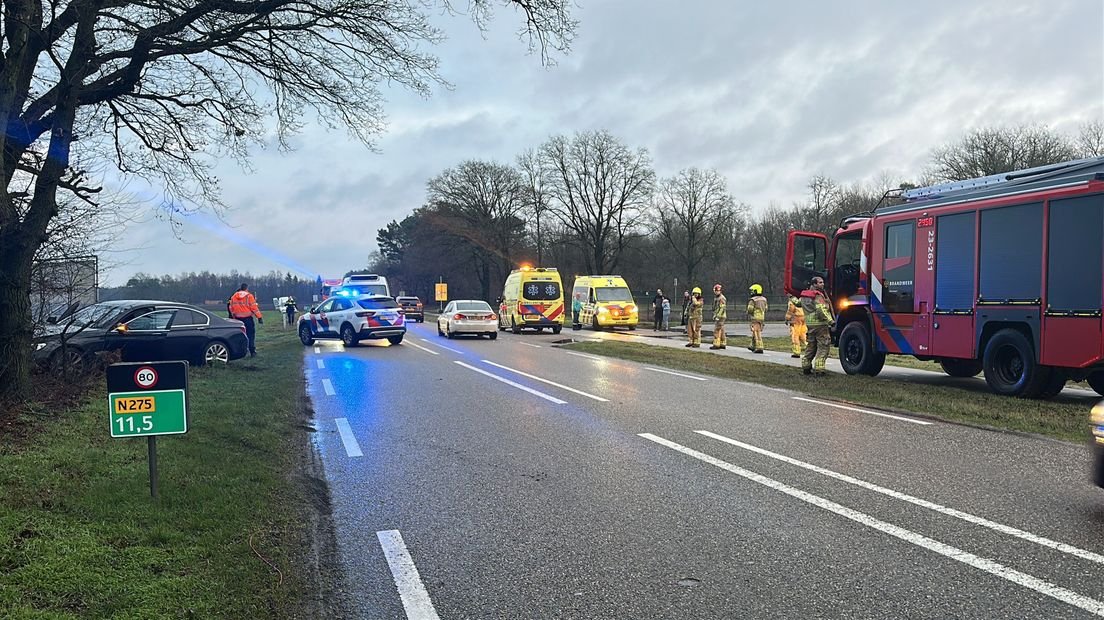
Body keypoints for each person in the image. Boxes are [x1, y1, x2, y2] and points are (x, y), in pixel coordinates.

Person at [800, 276, 835, 375]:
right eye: (820, 282)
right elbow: (821, 310)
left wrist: (791, 296)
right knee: (823, 346)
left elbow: (798, 304)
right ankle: (819, 369)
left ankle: (806, 366)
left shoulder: (804, 295)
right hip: (820, 325)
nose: (822, 284)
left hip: (810, 325)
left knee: (811, 346)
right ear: (814, 284)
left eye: (822, 282)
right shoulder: (818, 296)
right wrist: (830, 321)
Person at [228, 283, 263, 357]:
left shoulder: (234, 296)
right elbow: (254, 308)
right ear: (247, 288)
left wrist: (233, 317)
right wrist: (259, 317)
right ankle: (252, 351)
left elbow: (231, 308)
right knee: (250, 335)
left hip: (238, 319)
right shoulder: (249, 296)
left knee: (240, 335)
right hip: (248, 318)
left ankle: (241, 351)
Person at [746, 283, 768, 354]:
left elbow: (750, 309)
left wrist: (749, 312)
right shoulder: (764, 299)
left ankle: (759, 347)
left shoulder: (753, 300)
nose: (751, 292)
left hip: (755, 317)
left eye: (752, 291)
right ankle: (752, 345)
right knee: (755, 331)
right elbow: (766, 308)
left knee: (756, 332)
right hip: (762, 317)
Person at [785, 293, 807, 359]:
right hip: (804, 318)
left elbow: (791, 310)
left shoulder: (792, 300)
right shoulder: (802, 298)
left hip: (796, 319)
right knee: (803, 334)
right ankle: (808, 347)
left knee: (795, 335)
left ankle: (796, 352)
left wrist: (787, 318)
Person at [709, 283, 727, 350]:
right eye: (715, 291)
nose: (715, 292)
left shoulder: (721, 298)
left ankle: (716, 343)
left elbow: (722, 308)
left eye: (716, 291)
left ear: (719, 291)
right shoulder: (717, 298)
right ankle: (723, 343)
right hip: (720, 315)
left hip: (720, 316)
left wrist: (718, 316)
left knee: (717, 330)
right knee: (721, 330)